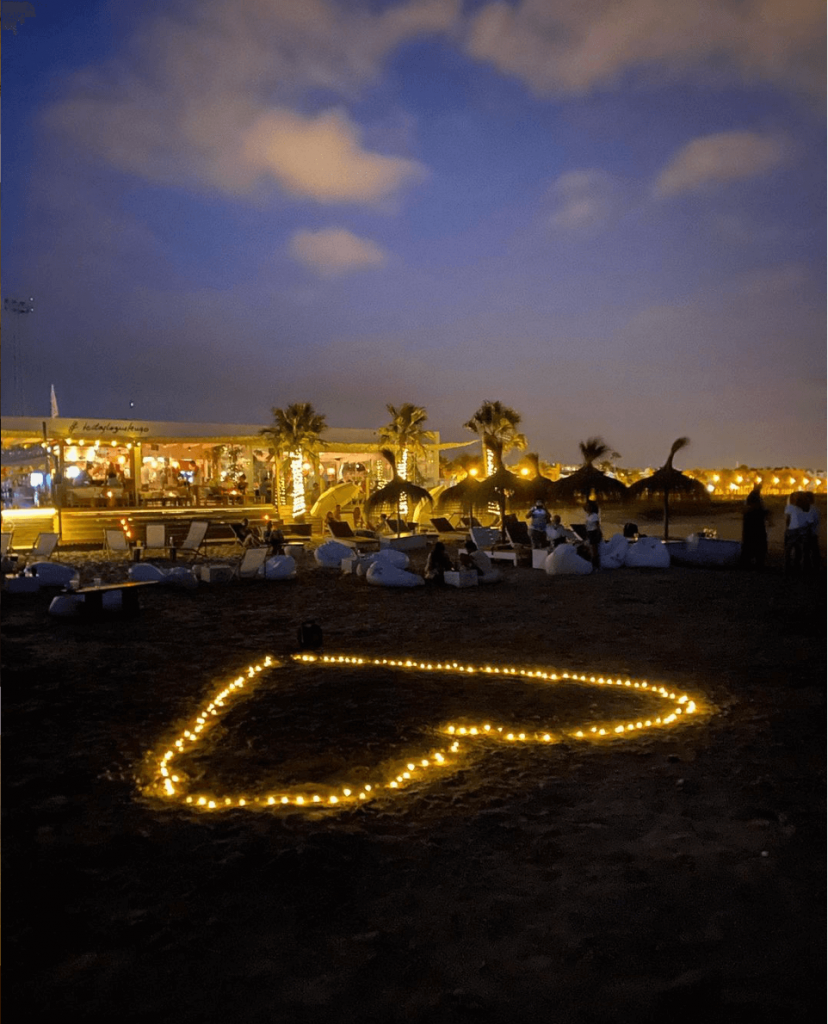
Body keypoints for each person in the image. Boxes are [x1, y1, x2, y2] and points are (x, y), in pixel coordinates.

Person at [740, 485, 769, 570]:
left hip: (751, 527)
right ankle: (756, 563)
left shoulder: (752, 497)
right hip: (755, 527)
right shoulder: (754, 498)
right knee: (758, 545)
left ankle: (748, 562)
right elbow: (757, 508)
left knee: (749, 545)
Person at [783, 492, 809, 574]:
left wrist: (787, 528)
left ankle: (788, 565)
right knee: (798, 548)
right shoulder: (803, 508)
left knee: (789, 547)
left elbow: (788, 518)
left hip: (792, 529)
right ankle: (796, 565)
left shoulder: (790, 507)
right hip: (800, 529)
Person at [802, 491, 821, 572]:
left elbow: (809, 522)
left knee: (807, 551)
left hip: (808, 533)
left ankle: (807, 568)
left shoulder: (809, 509)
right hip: (813, 533)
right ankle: (816, 567)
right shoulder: (815, 509)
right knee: (814, 551)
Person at [584, 499, 602, 568]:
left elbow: (597, 525)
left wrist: (598, 533)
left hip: (593, 532)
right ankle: (593, 563)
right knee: (591, 548)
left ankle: (596, 564)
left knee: (594, 549)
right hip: (589, 532)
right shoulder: (588, 515)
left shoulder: (594, 515)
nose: (587, 508)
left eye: (589, 507)